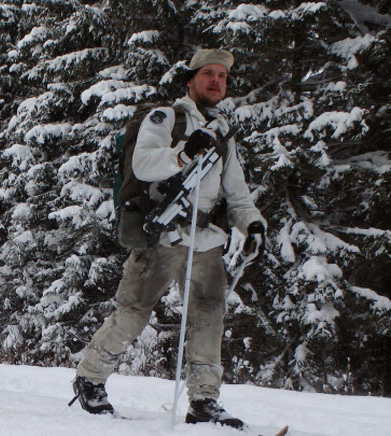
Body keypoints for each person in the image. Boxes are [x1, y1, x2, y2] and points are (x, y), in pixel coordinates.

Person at [71, 49, 267, 429]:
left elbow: (238, 194)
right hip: (165, 230)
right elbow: (143, 164)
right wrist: (183, 153)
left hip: (207, 237)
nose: (216, 81)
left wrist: (253, 225)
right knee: (134, 310)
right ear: (190, 80)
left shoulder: (223, 132)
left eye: (222, 76)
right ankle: (90, 378)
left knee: (209, 316)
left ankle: (204, 400)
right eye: (208, 74)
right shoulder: (166, 117)